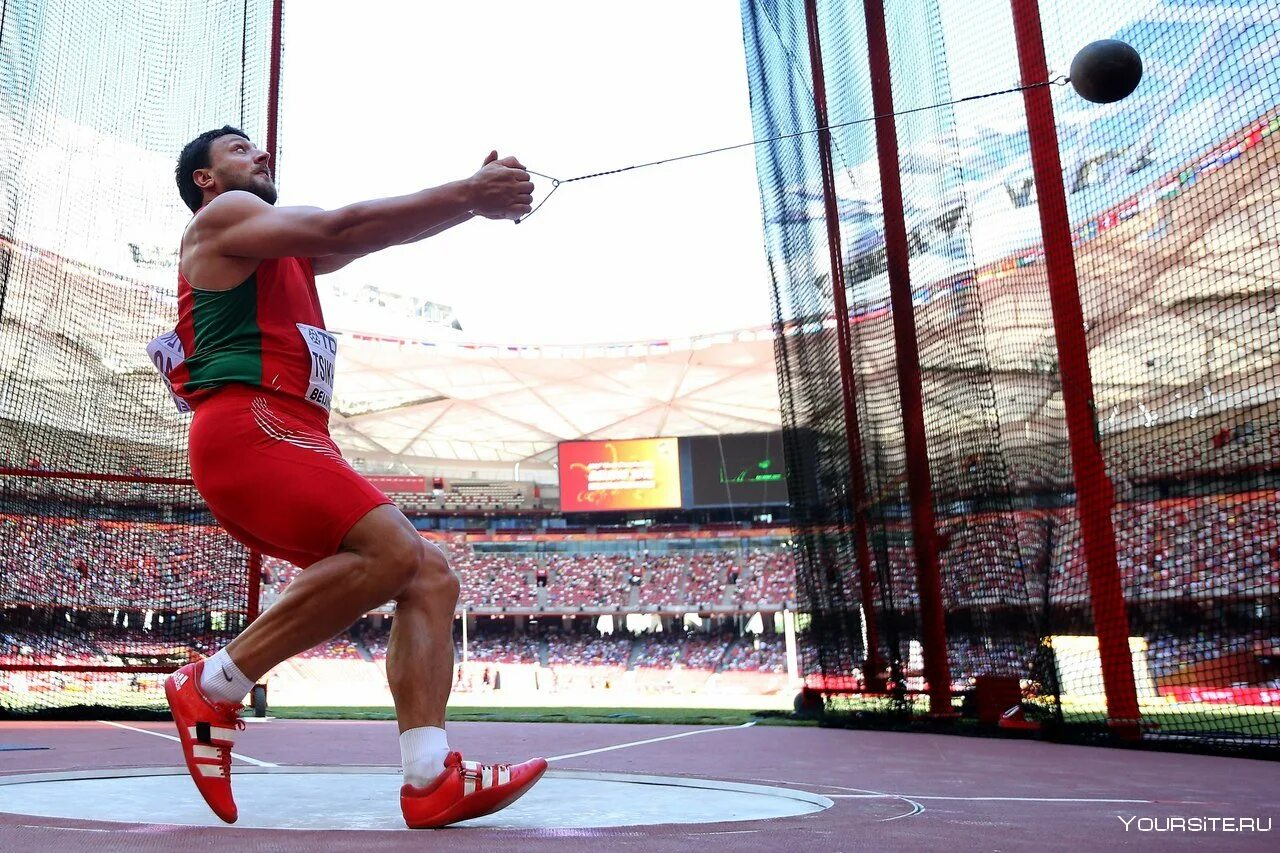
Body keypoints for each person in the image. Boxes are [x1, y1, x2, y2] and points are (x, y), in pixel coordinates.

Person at [158, 126, 545, 828]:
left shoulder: (282, 252)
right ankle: (212, 685)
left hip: (292, 434)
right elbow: (347, 221)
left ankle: (430, 779)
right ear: (205, 181)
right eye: (240, 149)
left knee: (429, 574)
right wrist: (470, 193)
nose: (261, 154)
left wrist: (471, 202)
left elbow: (370, 236)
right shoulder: (221, 219)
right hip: (254, 426)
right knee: (395, 551)